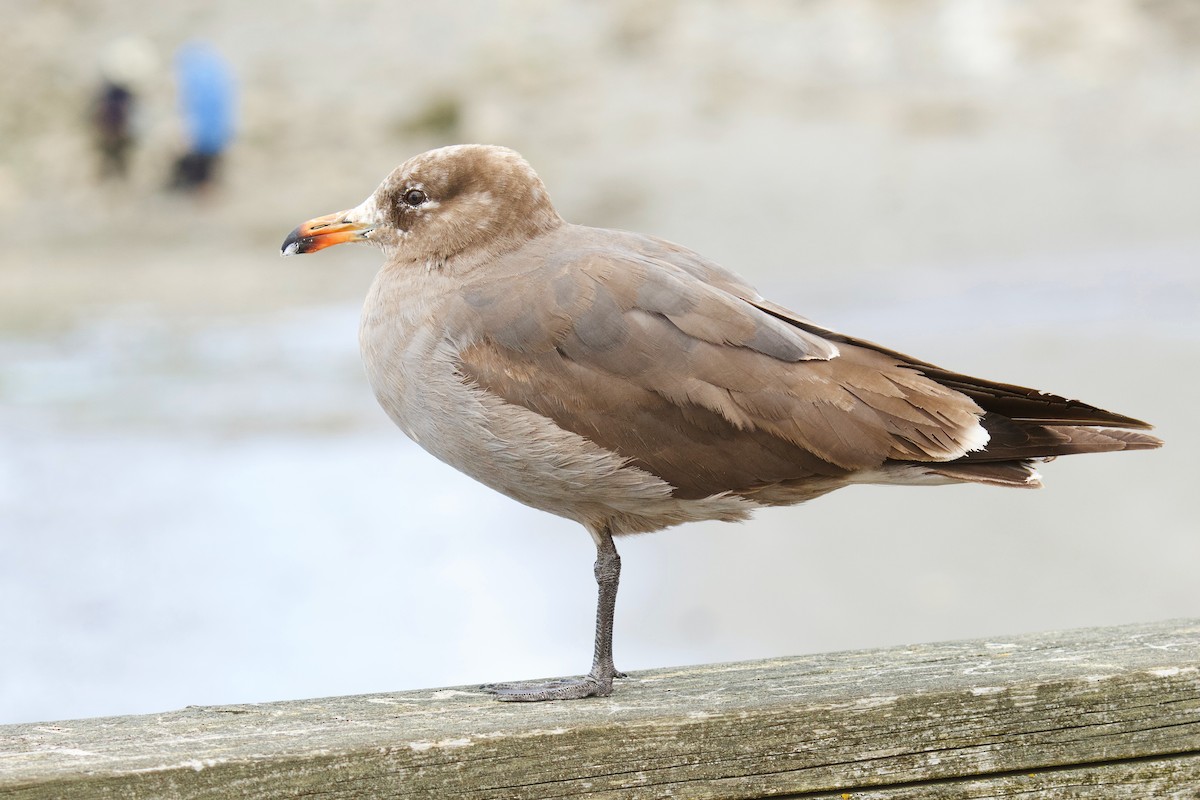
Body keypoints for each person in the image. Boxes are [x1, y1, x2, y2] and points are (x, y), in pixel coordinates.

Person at [169, 42, 235, 192]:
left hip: (204, 133)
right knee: (209, 162)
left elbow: (191, 107)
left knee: (202, 164)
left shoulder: (197, 77)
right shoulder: (216, 75)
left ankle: (203, 191)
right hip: (217, 131)